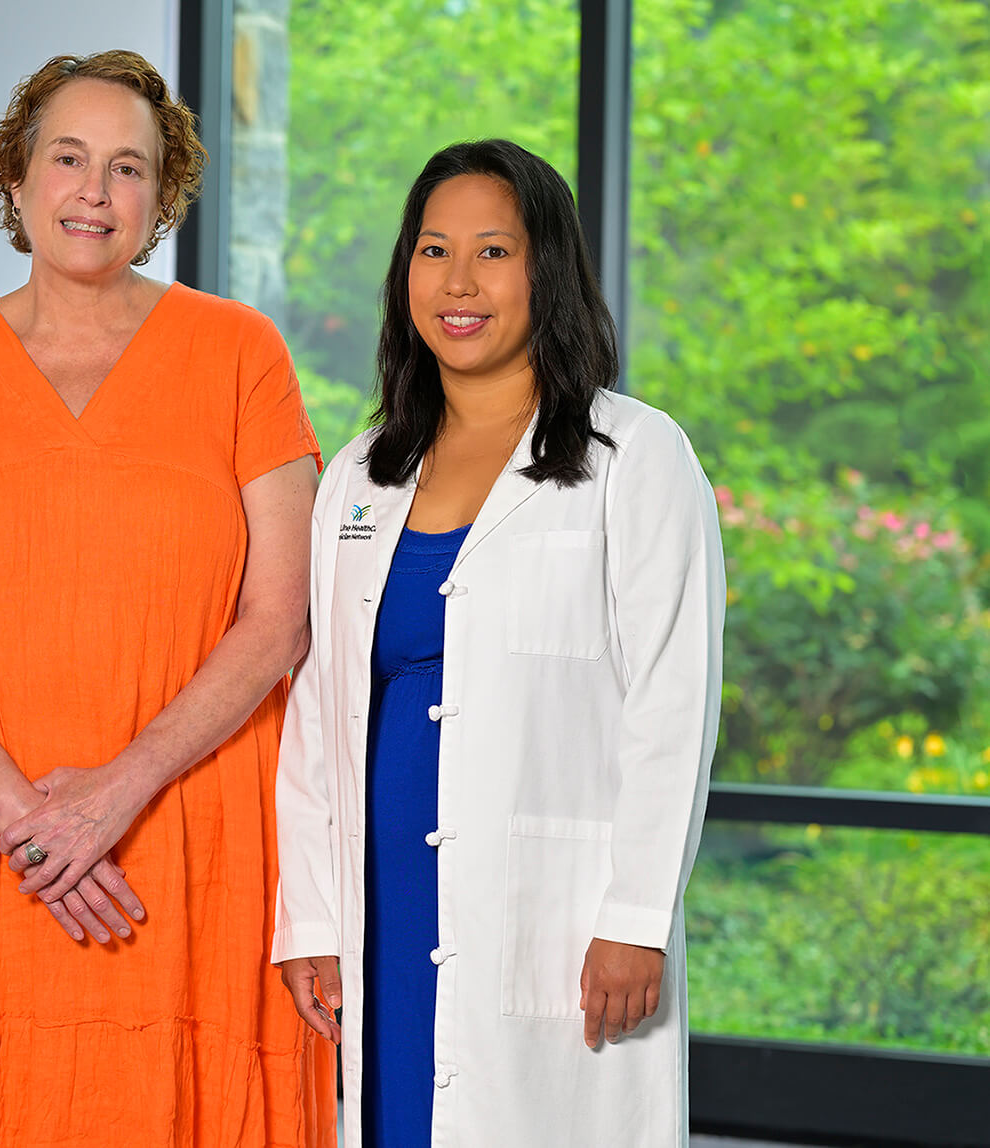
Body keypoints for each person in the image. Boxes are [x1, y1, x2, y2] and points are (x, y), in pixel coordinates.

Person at [0, 50, 336, 1146]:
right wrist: (27, 818)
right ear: (15, 182)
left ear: (162, 198)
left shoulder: (239, 353)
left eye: (128, 167)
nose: (94, 190)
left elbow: (282, 616)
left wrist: (117, 791)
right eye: (67, 158)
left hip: (189, 833)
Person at [273, 138, 725, 1146]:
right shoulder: (360, 473)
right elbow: (318, 710)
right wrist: (311, 918)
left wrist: (636, 915)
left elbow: (673, 700)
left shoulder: (635, 456)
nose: (459, 282)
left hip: (554, 919)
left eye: (494, 251)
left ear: (547, 270)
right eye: (434, 251)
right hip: (383, 913)